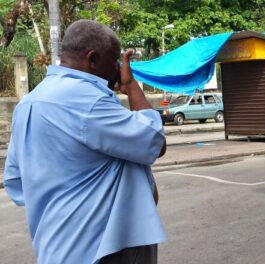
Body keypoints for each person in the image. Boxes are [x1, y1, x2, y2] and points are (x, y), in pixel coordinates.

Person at [3, 20, 167, 264]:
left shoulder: (28, 104)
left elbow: (16, 183)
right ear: (92, 59)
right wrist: (131, 85)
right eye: (113, 62)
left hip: (56, 249)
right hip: (107, 250)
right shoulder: (90, 100)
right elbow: (154, 141)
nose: (116, 71)